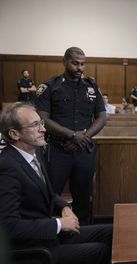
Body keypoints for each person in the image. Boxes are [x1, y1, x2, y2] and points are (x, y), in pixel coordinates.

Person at [0, 102, 112, 264]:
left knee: (112, 232)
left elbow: (49, 193)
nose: (43, 129)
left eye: (41, 123)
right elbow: (9, 227)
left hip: (48, 235)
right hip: (33, 249)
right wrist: (58, 224)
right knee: (101, 250)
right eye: (35, 125)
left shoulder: (35, 152)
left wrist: (64, 207)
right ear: (15, 134)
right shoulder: (6, 168)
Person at [36, 47, 107, 225]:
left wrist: (82, 138)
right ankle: (52, 231)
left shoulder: (91, 86)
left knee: (84, 195)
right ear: (65, 61)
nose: (80, 68)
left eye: (83, 64)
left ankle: (84, 234)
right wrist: (72, 135)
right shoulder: (50, 86)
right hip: (57, 150)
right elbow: (42, 118)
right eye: (75, 63)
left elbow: (102, 117)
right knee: (50, 194)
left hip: (83, 150)